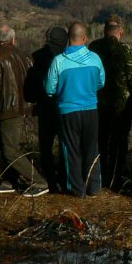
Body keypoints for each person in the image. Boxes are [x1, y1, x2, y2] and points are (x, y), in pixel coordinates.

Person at [0, 25, 48, 197]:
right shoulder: (24, 56)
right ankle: (10, 180)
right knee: (10, 145)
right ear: (13, 39)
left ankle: (39, 181)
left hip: (7, 107)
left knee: (9, 149)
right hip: (23, 106)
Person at [45, 22, 105, 197]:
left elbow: (49, 89)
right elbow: (101, 82)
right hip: (91, 109)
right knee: (91, 148)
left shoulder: (59, 61)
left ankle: (76, 188)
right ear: (85, 38)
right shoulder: (95, 59)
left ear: (68, 39)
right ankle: (93, 186)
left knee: (71, 150)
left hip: (68, 111)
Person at [89, 15, 132, 191]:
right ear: (121, 32)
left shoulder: (94, 47)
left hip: (98, 101)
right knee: (119, 141)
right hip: (121, 104)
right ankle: (115, 178)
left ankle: (97, 175)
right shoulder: (124, 50)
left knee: (100, 139)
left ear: (104, 31)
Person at [24, 26, 68, 192]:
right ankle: (64, 178)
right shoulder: (68, 57)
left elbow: (31, 87)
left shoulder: (37, 57)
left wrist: (36, 100)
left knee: (46, 147)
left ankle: (49, 181)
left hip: (45, 107)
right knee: (65, 145)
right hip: (65, 107)